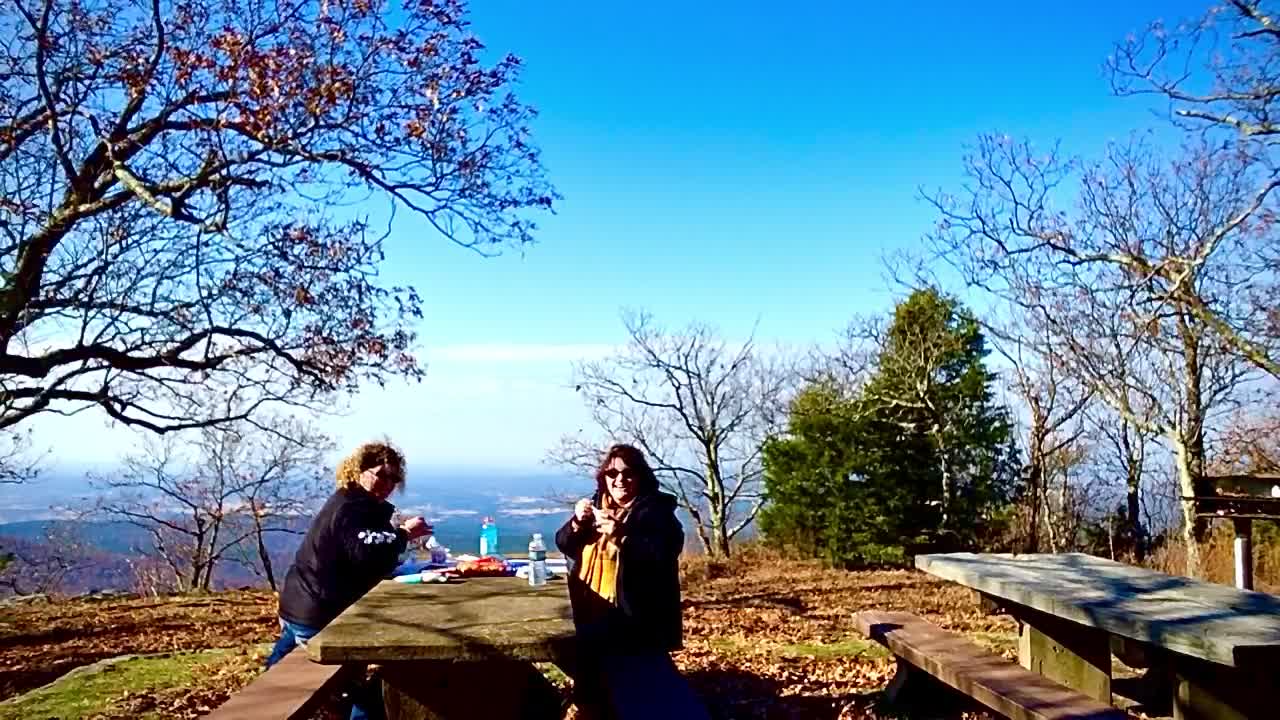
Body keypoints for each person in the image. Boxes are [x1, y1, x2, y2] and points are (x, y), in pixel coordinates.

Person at [266, 440, 431, 720]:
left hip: (300, 606)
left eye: (394, 477)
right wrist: (403, 534)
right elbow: (366, 550)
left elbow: (363, 555)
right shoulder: (352, 506)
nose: (387, 482)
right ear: (359, 470)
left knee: (272, 685)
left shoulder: (355, 502)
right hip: (319, 615)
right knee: (359, 690)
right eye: (380, 473)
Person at [555, 443, 686, 719]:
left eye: (628, 473)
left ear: (641, 477)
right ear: (603, 478)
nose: (619, 480)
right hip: (587, 608)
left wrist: (622, 536)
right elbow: (564, 543)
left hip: (632, 618)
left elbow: (662, 555)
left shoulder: (656, 511)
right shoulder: (597, 508)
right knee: (577, 657)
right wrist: (578, 522)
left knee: (588, 660)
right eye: (611, 474)